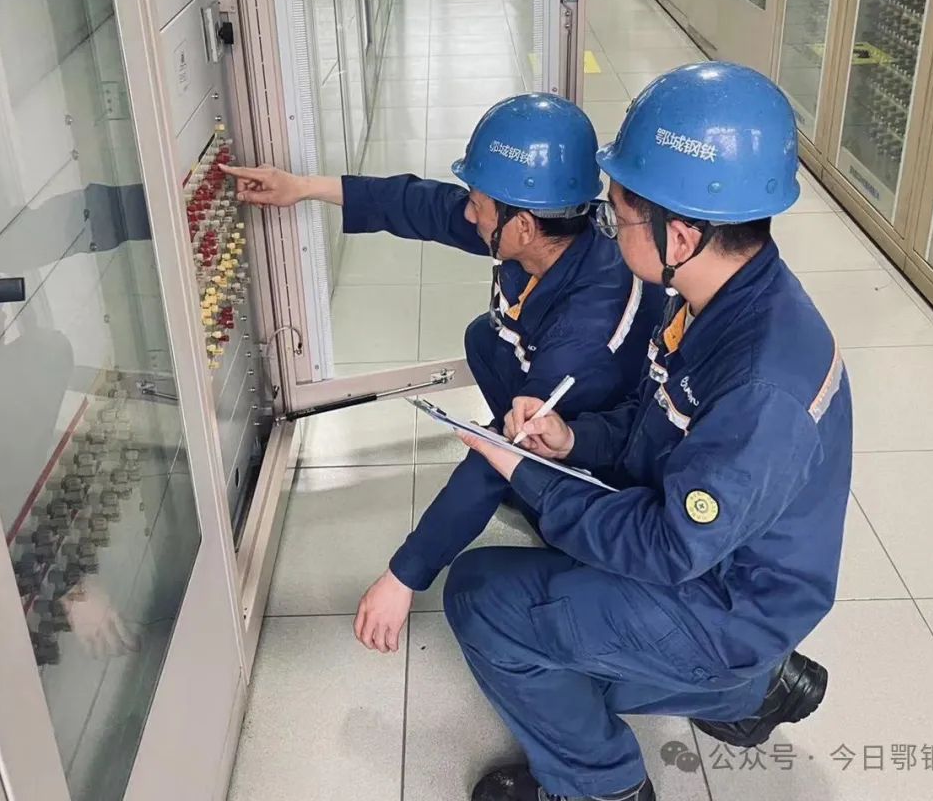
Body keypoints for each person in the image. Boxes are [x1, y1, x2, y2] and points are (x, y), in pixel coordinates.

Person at [453, 63, 852, 801]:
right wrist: (573, 442)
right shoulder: (712, 298)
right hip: (718, 556)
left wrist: (531, 479)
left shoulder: (762, 383)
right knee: (566, 576)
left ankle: (606, 785)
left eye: (618, 215)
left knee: (483, 601)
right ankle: (749, 690)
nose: (606, 230)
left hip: (723, 601)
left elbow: (668, 546)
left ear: (682, 233)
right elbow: (655, 422)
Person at [222, 94, 664, 653]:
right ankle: (532, 471)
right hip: (566, 382)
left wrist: (404, 575)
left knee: (510, 448)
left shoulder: (587, 332)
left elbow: (500, 450)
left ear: (523, 226)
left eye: (479, 205)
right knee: (486, 338)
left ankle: (564, 499)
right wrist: (303, 187)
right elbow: (424, 206)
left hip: (615, 450)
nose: (470, 214)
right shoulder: (555, 227)